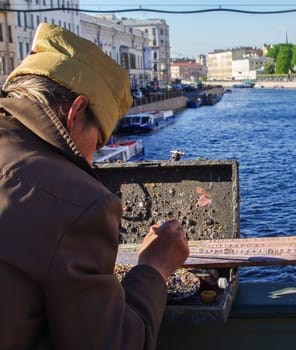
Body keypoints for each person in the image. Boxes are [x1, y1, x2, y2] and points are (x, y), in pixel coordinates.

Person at [0, 23, 189, 349]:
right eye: (98, 143)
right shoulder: (78, 204)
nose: (91, 161)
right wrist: (154, 269)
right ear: (76, 112)